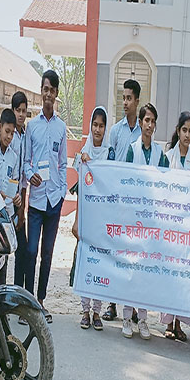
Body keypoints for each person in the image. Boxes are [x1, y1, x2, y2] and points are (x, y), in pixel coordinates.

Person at [23, 70, 67, 323]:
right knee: (31, 251)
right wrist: (31, 175)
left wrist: (61, 192)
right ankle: (28, 299)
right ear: (41, 91)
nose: (48, 94)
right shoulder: (32, 126)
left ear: (56, 94)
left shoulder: (60, 128)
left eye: (52, 90)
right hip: (37, 199)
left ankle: (40, 300)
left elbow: (62, 165)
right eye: (45, 89)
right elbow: (27, 161)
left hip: (54, 200)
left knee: (48, 252)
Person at [123, 103, 168, 340]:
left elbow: (167, 183)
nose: (149, 125)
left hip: (152, 222)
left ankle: (142, 319)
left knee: (146, 270)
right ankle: (126, 316)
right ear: (140, 122)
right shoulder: (132, 150)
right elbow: (128, 181)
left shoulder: (160, 154)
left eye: (153, 121)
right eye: (146, 120)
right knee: (132, 267)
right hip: (134, 219)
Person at [70, 106, 115, 330]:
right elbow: (80, 192)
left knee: (100, 266)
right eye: (95, 125)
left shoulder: (110, 155)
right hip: (87, 218)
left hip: (103, 220)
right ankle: (85, 311)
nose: (98, 129)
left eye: (101, 125)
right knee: (86, 265)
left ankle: (97, 312)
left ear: (106, 128)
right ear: (90, 127)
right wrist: (77, 221)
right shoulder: (83, 155)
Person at [103, 78, 141, 322]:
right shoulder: (115, 131)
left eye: (129, 98)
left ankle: (134, 306)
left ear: (137, 100)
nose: (125, 102)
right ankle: (112, 304)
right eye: (123, 98)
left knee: (134, 254)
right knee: (116, 253)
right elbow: (108, 164)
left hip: (136, 205)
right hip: (117, 203)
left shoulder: (143, 131)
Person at [162, 111, 190, 341]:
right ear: (178, 131)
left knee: (185, 276)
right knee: (170, 275)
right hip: (171, 223)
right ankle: (168, 322)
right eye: (183, 130)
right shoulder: (168, 157)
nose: (187, 134)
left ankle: (179, 323)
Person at [0, 108, 22, 284]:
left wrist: (17, 198)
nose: (9, 137)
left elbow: (15, 182)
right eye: (7, 132)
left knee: (4, 260)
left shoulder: (14, 156)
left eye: (12, 133)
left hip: (7, 214)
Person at [11, 91, 31, 304]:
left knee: (23, 250)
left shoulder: (25, 135)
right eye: (18, 110)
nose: (21, 115)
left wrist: (22, 208)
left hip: (19, 197)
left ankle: (19, 294)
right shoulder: (9, 134)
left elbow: (24, 177)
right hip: (7, 199)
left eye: (24, 111)